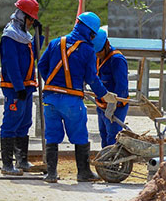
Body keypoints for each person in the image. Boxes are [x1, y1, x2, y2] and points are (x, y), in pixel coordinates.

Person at [38, 12, 118, 183]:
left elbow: (41, 65)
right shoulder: (87, 50)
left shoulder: (55, 43)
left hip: (50, 98)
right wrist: (104, 94)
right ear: (90, 32)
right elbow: (91, 77)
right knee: (79, 135)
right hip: (71, 101)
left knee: (52, 136)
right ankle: (83, 172)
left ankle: (51, 174)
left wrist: (53, 84)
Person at [0, 0, 43, 175]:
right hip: (15, 88)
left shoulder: (24, 36)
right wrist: (18, 87)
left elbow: (35, 55)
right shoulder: (10, 36)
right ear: (21, 16)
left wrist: (39, 35)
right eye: (30, 19)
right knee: (11, 122)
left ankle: (22, 160)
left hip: (27, 86)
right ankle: (7, 164)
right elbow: (11, 64)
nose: (32, 22)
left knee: (25, 122)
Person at [92, 28, 129, 149]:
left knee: (112, 137)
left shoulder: (117, 60)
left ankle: (113, 164)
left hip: (116, 107)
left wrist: (113, 105)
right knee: (103, 135)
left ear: (107, 45)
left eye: (99, 52)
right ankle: (106, 162)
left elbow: (122, 87)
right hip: (101, 105)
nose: (97, 55)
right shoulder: (97, 57)